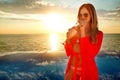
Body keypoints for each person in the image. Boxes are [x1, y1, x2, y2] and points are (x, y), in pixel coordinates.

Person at [64, 3, 103, 80]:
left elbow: (88, 55)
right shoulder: (74, 30)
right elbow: (68, 53)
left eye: (85, 15)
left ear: (92, 16)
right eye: (80, 15)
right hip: (72, 73)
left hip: (88, 74)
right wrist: (68, 39)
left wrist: (82, 31)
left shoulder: (98, 34)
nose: (82, 17)